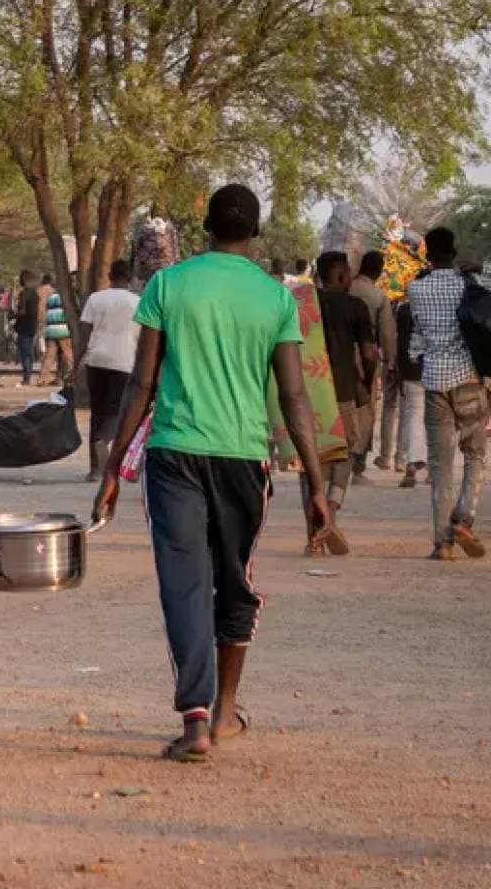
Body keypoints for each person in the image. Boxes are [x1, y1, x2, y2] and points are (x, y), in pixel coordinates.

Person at [94, 184, 339, 763]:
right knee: (234, 580)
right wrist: (315, 484)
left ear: (205, 227)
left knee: (183, 584)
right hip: (242, 459)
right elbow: (294, 396)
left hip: (174, 451)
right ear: (253, 234)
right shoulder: (276, 298)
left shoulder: (168, 284)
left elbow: (142, 383)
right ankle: (225, 708)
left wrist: (111, 467)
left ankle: (196, 717)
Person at [406, 227, 489, 560]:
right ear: (454, 252)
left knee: (440, 465)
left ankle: (443, 543)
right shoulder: (469, 286)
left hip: (434, 383)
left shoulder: (415, 289)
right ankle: (465, 517)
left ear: (427, 253)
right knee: (475, 454)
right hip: (469, 379)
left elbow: (417, 342)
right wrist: (477, 271)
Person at [310, 251, 377, 531]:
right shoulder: (356, 307)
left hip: (312, 393)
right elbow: (369, 352)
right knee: (346, 454)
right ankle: (332, 512)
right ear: (339, 275)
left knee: (314, 459)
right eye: (348, 272)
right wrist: (368, 380)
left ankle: (315, 522)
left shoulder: (307, 306)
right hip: (346, 392)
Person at [78, 259, 142, 482]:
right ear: (130, 277)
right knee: (117, 410)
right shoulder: (137, 302)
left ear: (110, 276)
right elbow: (143, 338)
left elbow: (84, 332)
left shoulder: (95, 299)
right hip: (124, 361)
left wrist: (77, 361)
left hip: (96, 359)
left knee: (97, 410)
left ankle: (95, 470)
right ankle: (106, 442)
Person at [348, 251, 395, 482]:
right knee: (365, 411)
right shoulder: (378, 297)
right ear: (378, 272)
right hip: (366, 359)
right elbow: (387, 336)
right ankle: (357, 467)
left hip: (334, 357)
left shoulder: (344, 289)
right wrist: (390, 361)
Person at [391, 295, 427, 487]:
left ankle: (412, 463)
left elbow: (401, 341)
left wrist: (400, 367)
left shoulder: (405, 309)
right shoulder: (444, 303)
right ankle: (434, 471)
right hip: (437, 369)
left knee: (413, 416)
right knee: (438, 418)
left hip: (412, 370)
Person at [40, 275, 72, 385]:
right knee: (67, 354)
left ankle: (42, 379)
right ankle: (69, 377)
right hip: (63, 330)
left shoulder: (52, 296)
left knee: (49, 356)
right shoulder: (67, 297)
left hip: (51, 329)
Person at [14, 270, 41, 385]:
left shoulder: (24, 293)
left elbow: (23, 310)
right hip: (32, 326)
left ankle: (26, 378)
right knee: (29, 353)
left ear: (24, 280)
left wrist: (13, 314)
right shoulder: (35, 294)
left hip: (23, 326)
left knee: (24, 353)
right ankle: (27, 377)